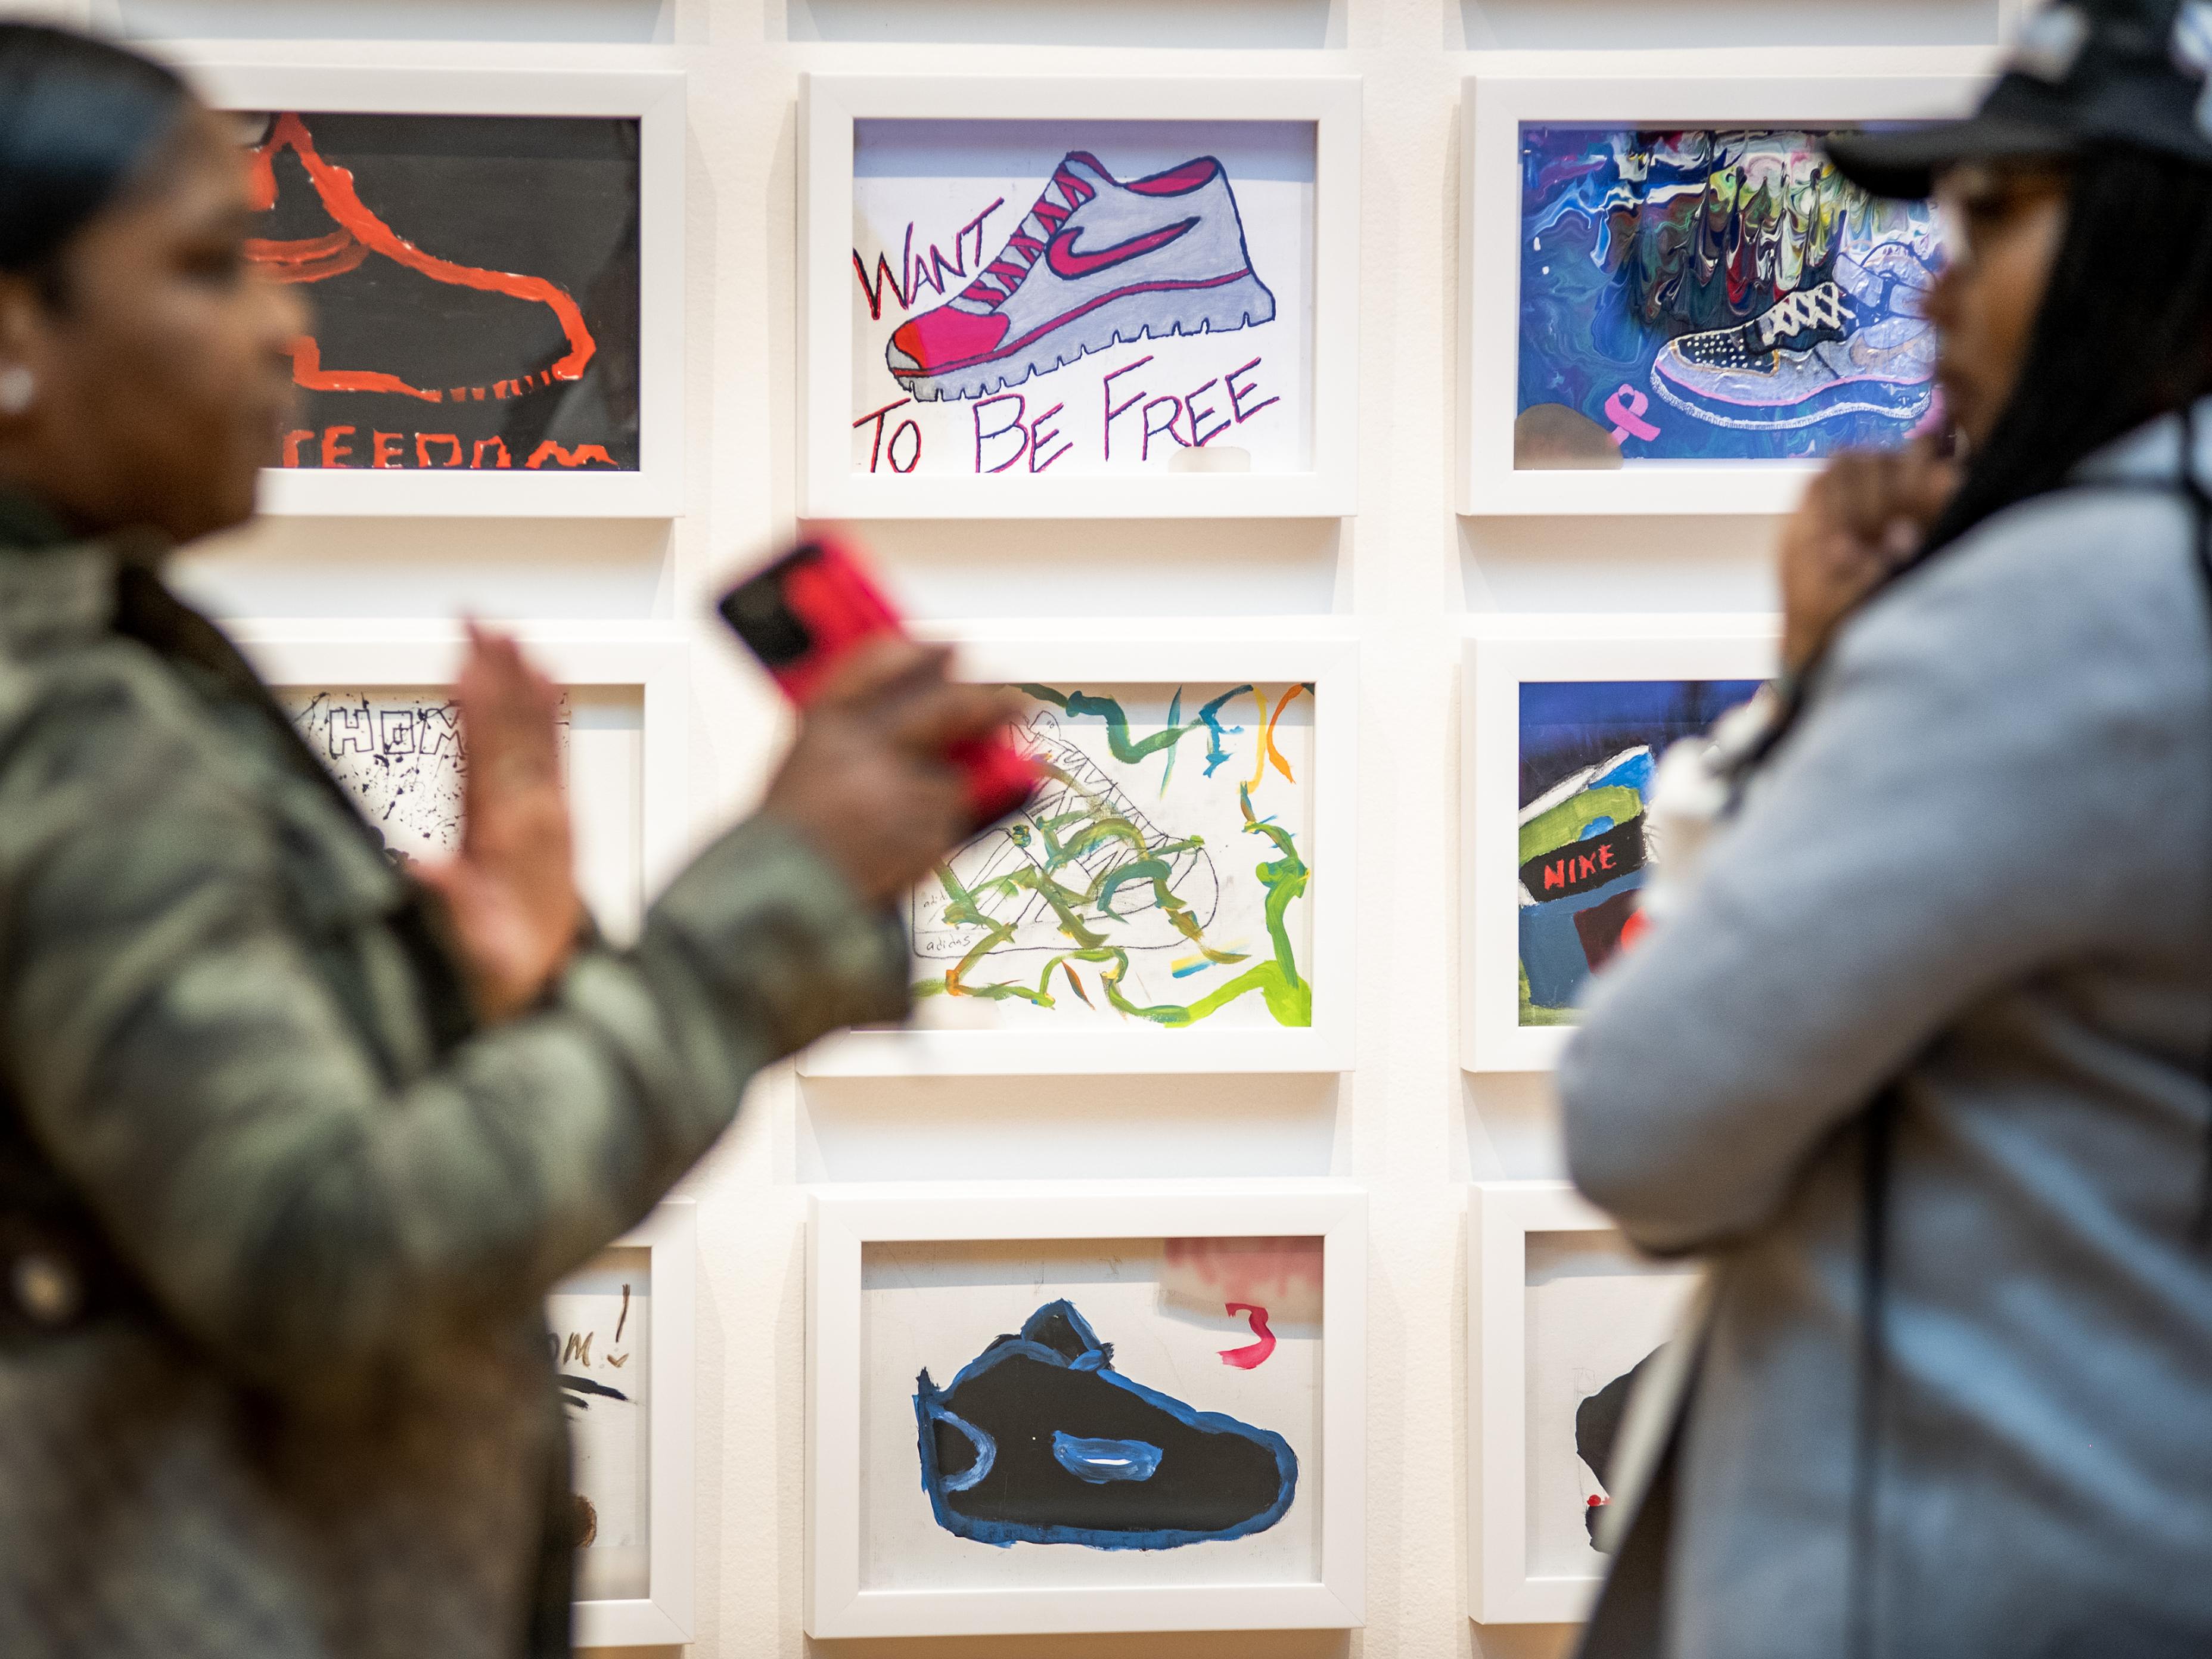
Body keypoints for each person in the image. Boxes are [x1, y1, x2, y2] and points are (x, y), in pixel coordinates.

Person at [0, 24, 1014, 1658]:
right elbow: (318, 1261)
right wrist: (776, 901)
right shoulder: (65, 724)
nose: (289, 324)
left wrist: (459, 1009)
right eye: (207, 266)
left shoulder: (101, 662)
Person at [1561, 4, 2212, 1656]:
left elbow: (1642, 1132)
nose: (1930, 281)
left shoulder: (2059, 609)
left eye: (1996, 218)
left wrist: (1805, 705)